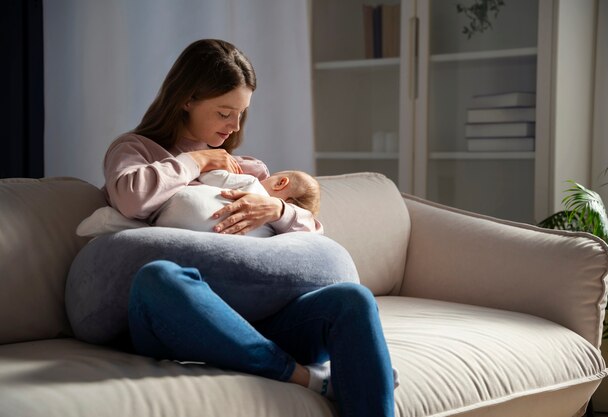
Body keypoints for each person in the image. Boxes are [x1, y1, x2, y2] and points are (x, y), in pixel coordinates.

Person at [103, 39, 396, 417]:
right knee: (157, 278)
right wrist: (195, 161)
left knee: (351, 300)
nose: (235, 126)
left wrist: (275, 209)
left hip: (260, 315)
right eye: (225, 112)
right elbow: (131, 199)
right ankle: (301, 377)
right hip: (184, 317)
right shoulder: (135, 150)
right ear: (187, 99)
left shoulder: (246, 169)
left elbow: (313, 242)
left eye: (241, 114)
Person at [153, 169, 320, 237]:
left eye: (270, 178)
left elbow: (209, 176)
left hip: (168, 217)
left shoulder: (252, 182)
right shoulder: (272, 233)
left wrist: (212, 166)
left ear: (280, 183)